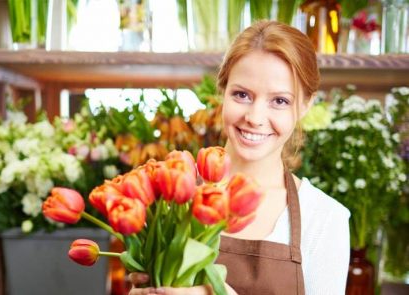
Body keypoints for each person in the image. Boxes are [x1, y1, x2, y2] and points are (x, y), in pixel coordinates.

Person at [129, 20, 350, 295]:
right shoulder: (170, 196)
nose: (255, 118)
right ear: (222, 91)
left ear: (305, 105)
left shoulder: (324, 218)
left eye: (280, 100)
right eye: (242, 94)